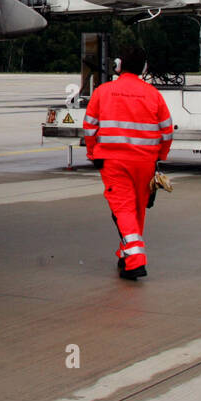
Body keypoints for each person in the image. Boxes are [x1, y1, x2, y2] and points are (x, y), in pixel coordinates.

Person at [81, 46, 173, 280]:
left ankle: (135, 260)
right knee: (137, 209)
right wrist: (160, 156)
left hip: (113, 161)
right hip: (144, 162)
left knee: (122, 209)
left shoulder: (103, 91)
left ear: (118, 66)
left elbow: (90, 126)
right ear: (144, 68)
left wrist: (93, 153)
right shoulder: (153, 94)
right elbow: (167, 130)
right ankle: (126, 254)